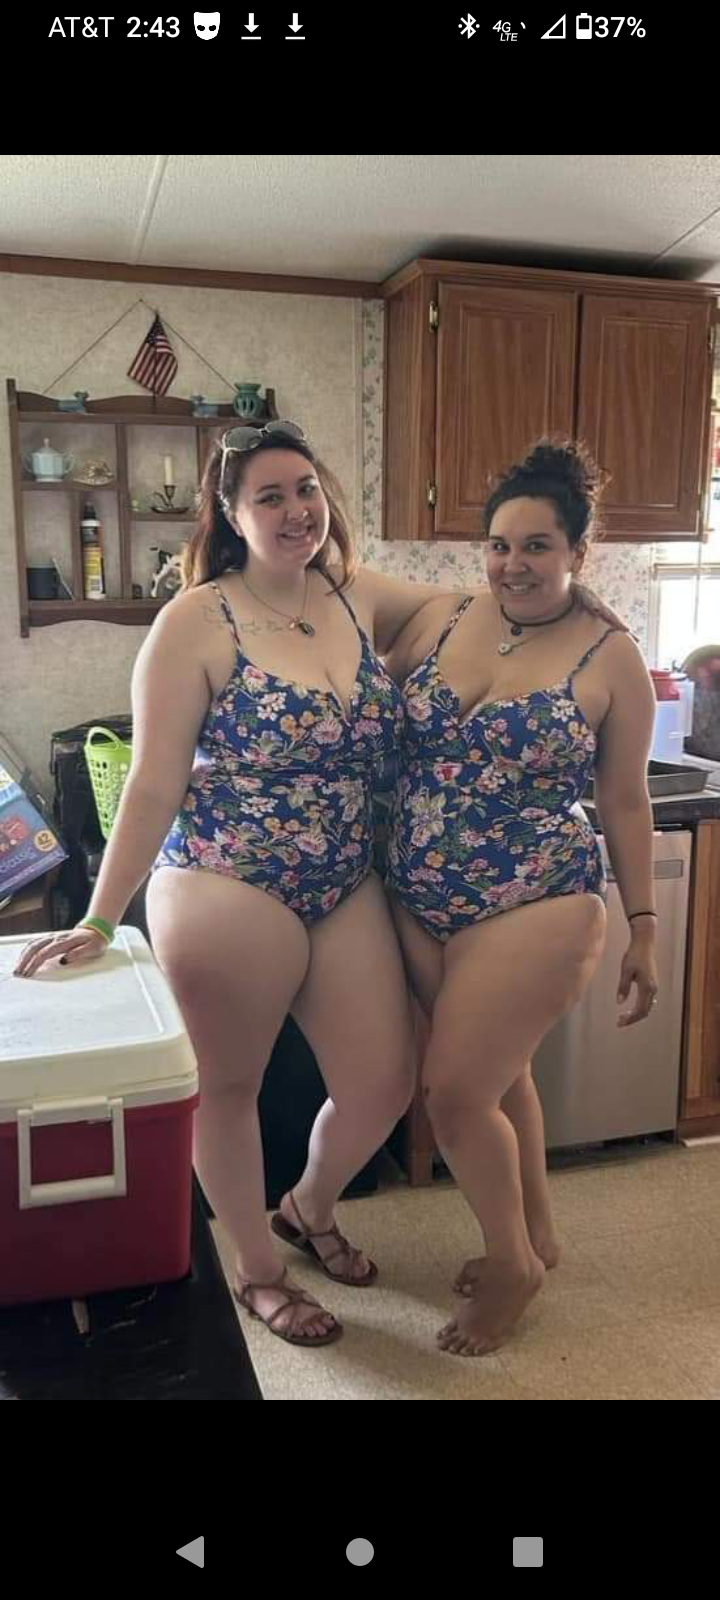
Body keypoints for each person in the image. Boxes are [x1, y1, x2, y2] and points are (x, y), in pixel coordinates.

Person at [14, 420, 458, 1349]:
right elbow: (153, 782)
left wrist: (565, 602)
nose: (297, 511)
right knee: (228, 1088)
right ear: (230, 512)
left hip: (343, 877)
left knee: (384, 1082)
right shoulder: (196, 620)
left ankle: (308, 1205)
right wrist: (101, 917)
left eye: (307, 489)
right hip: (226, 874)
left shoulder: (355, 592)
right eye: (270, 496)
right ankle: (259, 1272)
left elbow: (462, 612)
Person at [385, 440, 659, 1357]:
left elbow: (625, 799)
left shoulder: (612, 656)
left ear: (579, 551)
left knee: (455, 1095)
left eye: (538, 546)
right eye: (500, 545)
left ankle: (511, 1266)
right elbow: (331, 596)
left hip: (537, 894)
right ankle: (536, 1232)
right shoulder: (447, 613)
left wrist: (645, 926)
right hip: (420, 893)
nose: (513, 564)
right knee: (504, 1080)